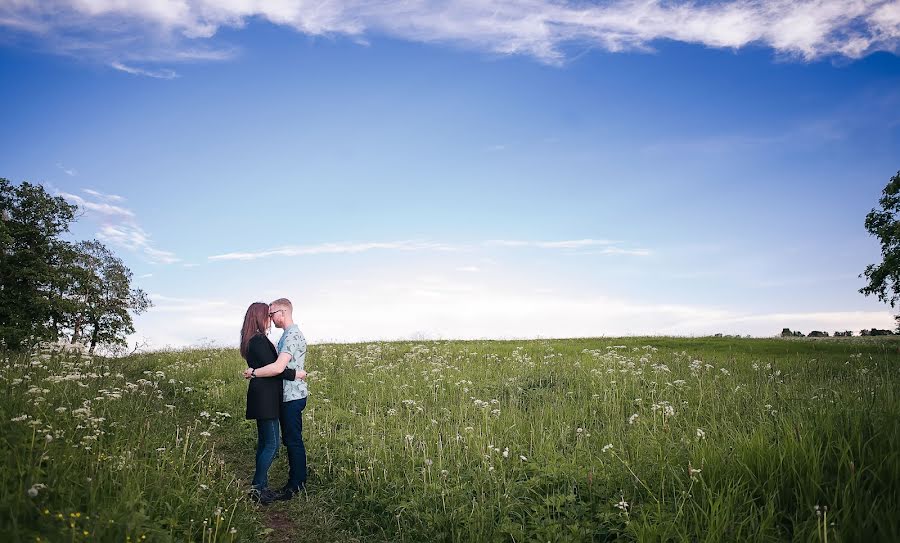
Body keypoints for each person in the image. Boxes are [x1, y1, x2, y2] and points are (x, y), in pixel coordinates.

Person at [244, 297, 308, 501]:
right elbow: (277, 368)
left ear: (283, 312)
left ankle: (296, 484)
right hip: (278, 396)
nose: (270, 319)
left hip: (291, 396)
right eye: (268, 315)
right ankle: (263, 486)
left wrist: (254, 372)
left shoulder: (291, 336)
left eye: (272, 314)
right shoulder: (276, 337)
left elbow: (278, 368)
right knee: (278, 441)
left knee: (290, 440)